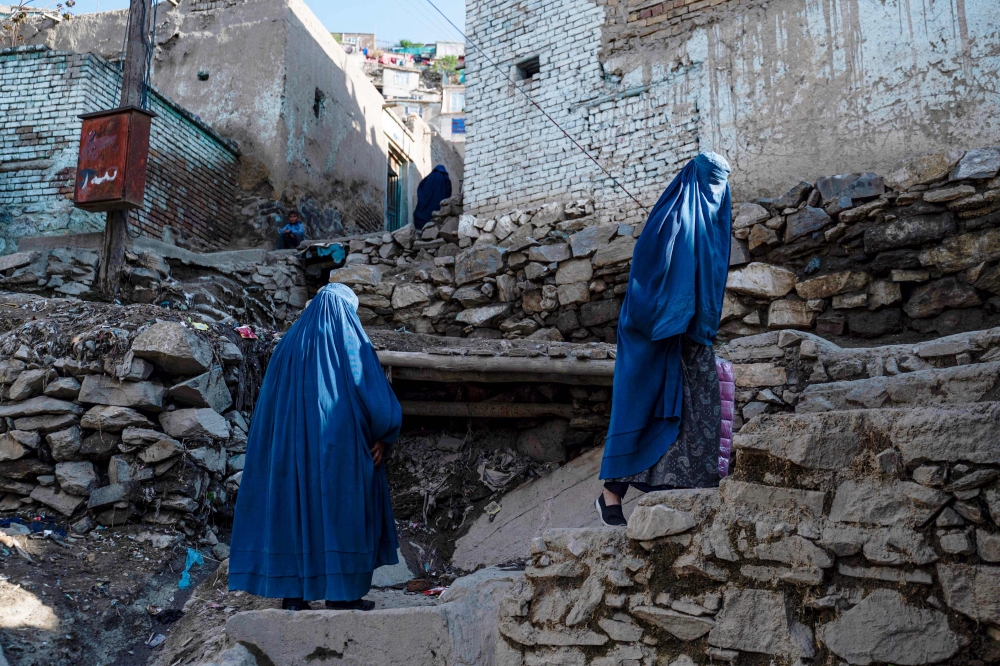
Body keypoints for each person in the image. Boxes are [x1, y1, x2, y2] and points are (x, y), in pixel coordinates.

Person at [228, 283, 403, 611]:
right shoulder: (345, 336)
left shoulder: (289, 343)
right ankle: (342, 595)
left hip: (286, 453)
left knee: (293, 513)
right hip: (337, 447)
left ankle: (293, 597)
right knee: (341, 511)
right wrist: (385, 432)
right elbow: (368, 384)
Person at [596, 152, 732, 527]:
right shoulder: (669, 216)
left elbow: (711, 280)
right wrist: (671, 313)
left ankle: (680, 495)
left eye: (722, 184)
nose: (716, 192)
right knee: (642, 408)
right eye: (711, 182)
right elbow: (646, 272)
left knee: (698, 411)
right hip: (654, 333)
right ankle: (611, 493)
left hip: (692, 335)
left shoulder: (713, 225)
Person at [413, 165, 452, 230]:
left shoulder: (431, 176)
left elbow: (421, 186)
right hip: (438, 207)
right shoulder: (445, 178)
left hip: (423, 216)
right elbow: (448, 192)